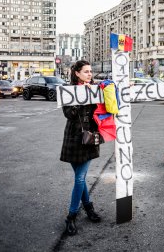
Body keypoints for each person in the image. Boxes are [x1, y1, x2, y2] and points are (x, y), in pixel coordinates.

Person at [60, 60, 101, 236]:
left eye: (91, 71)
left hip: (89, 138)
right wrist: (81, 98)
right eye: (86, 71)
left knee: (79, 178)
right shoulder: (69, 91)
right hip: (72, 139)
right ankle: (89, 207)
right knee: (80, 178)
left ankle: (71, 216)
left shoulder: (96, 90)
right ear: (77, 73)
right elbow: (68, 114)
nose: (90, 74)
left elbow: (108, 104)